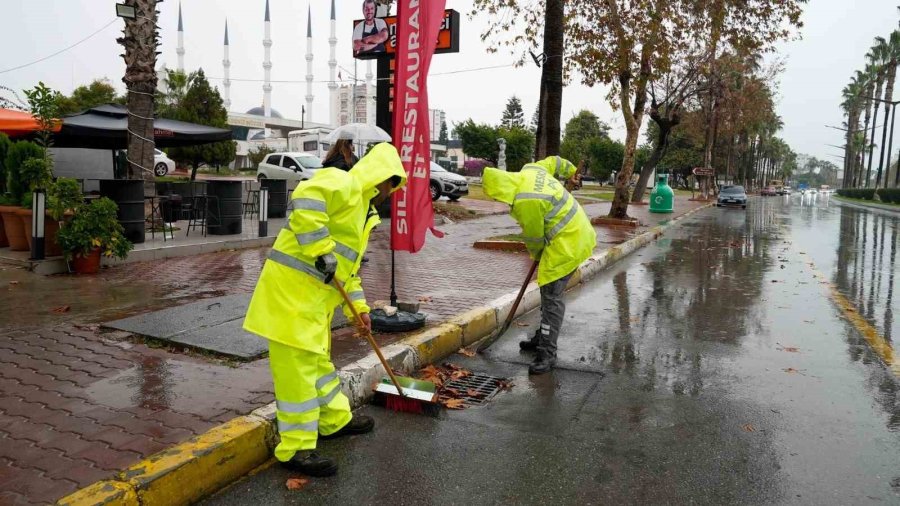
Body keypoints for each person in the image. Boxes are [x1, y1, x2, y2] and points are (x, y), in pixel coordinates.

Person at [243, 143, 406, 476]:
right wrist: (322, 250)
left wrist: (359, 310)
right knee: (298, 376)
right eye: (391, 185)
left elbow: (349, 272)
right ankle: (295, 450)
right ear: (380, 177)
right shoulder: (342, 183)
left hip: (313, 303)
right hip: (289, 297)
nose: (390, 194)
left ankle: (334, 420)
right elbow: (305, 199)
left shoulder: (365, 213)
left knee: (318, 366)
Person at [482, 157, 596, 374]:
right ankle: (542, 336)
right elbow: (556, 161)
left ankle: (547, 352)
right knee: (547, 291)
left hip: (568, 243)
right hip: (577, 233)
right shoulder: (531, 168)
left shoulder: (525, 200)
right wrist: (572, 171)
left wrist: (537, 255)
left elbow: (534, 239)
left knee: (552, 295)